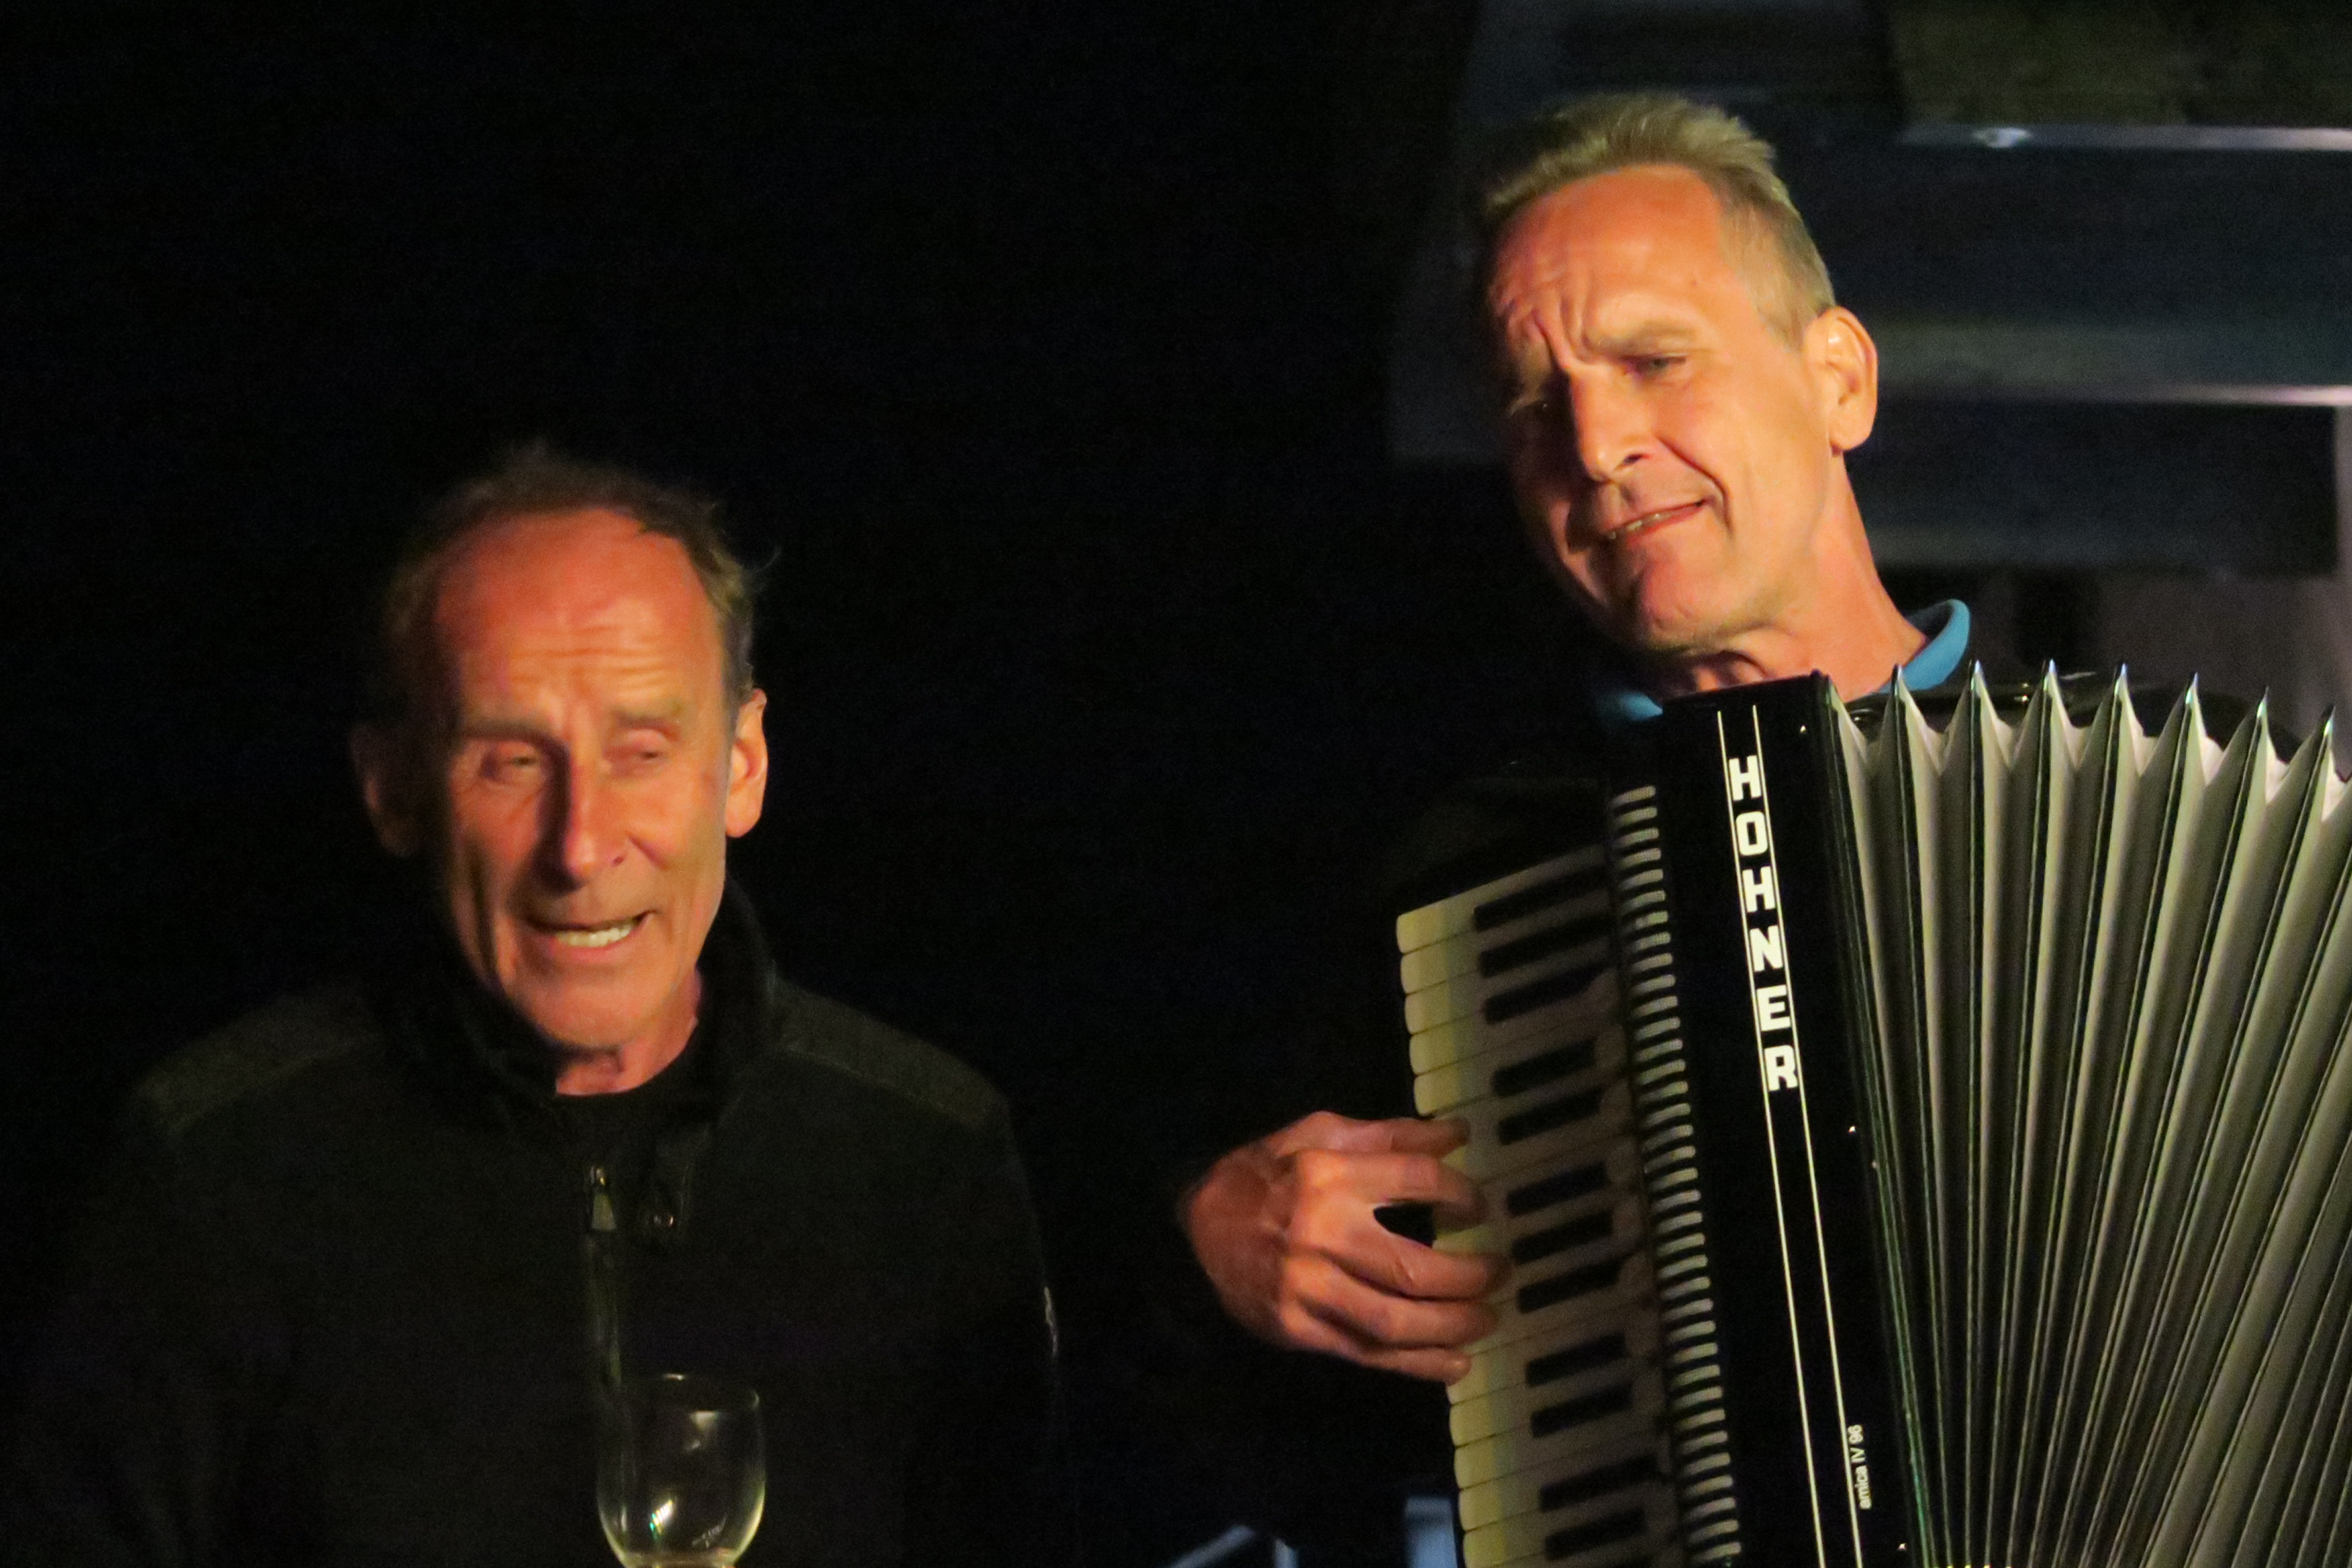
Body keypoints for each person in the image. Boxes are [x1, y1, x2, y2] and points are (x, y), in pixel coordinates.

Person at [1, 447, 1066, 1567]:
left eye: (642, 751)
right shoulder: (216, 1170)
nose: (581, 845)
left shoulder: (928, 1163)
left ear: (742, 765)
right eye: (511, 762)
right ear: (394, 790)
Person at [1171, 93, 1984, 1555]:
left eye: (1655, 361)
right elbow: (1302, 1466)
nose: (1596, 445)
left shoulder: (2209, 832)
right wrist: (1210, 1260)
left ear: (1839, 381)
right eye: (1533, 407)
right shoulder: (1464, 886)